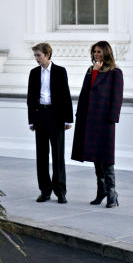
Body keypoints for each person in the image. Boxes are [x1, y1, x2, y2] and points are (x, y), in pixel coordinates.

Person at [71, 40, 124, 208]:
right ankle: (101, 190)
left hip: (105, 120)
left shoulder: (115, 72)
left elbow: (117, 97)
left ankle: (112, 193)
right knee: (95, 156)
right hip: (89, 119)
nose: (96, 54)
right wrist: (93, 73)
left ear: (106, 53)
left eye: (99, 52)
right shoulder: (91, 71)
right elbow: (85, 92)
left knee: (106, 157)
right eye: (94, 51)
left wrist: (113, 117)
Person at [26, 42, 73, 204]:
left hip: (57, 117)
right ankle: (45, 191)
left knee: (58, 155)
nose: (36, 58)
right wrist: (31, 120)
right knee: (41, 155)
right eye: (35, 55)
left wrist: (68, 119)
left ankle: (60, 191)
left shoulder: (60, 71)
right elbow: (30, 99)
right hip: (40, 117)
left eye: (38, 55)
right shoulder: (33, 73)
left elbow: (66, 96)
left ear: (47, 55)